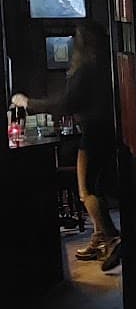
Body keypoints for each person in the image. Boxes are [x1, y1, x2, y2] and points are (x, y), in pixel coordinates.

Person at [11, 20, 122, 270]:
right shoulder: (105, 65)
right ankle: (98, 239)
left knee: (86, 190)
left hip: (93, 133)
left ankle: (113, 238)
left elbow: (64, 104)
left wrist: (28, 102)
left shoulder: (86, 69)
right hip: (105, 132)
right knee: (97, 187)